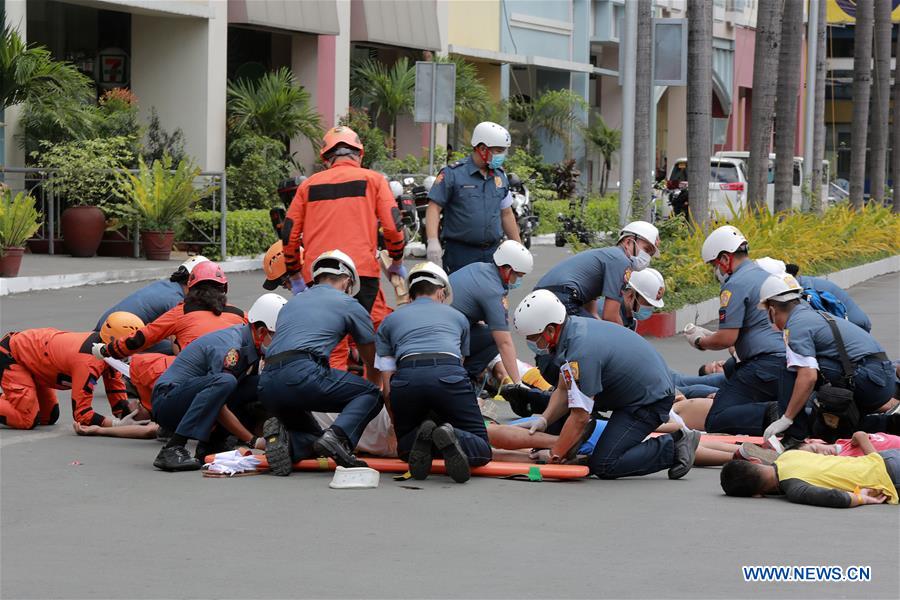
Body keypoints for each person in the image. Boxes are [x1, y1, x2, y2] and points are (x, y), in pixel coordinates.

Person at [512, 290, 700, 480]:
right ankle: (577, 450)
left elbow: (580, 416)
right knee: (571, 424)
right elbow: (563, 388)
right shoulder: (572, 332)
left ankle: (675, 446)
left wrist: (555, 455)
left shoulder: (580, 351)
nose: (531, 343)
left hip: (649, 400)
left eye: (533, 338)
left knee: (605, 464)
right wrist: (544, 419)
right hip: (637, 392)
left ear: (551, 330)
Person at [280, 126, 405, 370]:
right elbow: (392, 227)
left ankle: (331, 399)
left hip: (318, 276)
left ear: (326, 158)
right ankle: (371, 399)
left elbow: (290, 234)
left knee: (329, 344)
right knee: (367, 340)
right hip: (361, 275)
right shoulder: (374, 180)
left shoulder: (307, 186)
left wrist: (295, 274)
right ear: (359, 154)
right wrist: (397, 261)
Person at [258, 250, 384, 476]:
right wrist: (377, 387)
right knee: (371, 395)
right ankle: (338, 437)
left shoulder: (291, 304)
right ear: (347, 280)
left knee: (316, 441)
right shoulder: (348, 303)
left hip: (267, 384)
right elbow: (370, 358)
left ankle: (287, 443)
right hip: (303, 373)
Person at [376, 262, 491, 483]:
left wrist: (395, 422)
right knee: (482, 449)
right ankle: (450, 433)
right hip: (448, 373)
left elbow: (387, 379)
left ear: (411, 294)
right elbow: (458, 365)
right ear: (441, 292)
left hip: (407, 379)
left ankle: (424, 437)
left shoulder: (389, 321)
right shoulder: (458, 318)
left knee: (405, 450)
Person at [685, 226, 800, 441]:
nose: (715, 270)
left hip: (762, 366)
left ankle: (773, 413)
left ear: (725, 259)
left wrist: (700, 340)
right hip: (787, 362)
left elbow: (727, 338)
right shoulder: (765, 276)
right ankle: (781, 412)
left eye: (714, 264)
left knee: (717, 419)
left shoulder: (735, 284)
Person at [151, 293, 286, 471]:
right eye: (278, 336)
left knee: (265, 383)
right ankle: (172, 448)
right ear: (261, 331)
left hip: (193, 398)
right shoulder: (231, 348)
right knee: (226, 382)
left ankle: (212, 445)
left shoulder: (251, 346)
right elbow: (219, 399)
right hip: (168, 401)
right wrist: (252, 440)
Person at [92, 262, 247, 411]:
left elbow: (142, 338)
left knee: (139, 363)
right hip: (235, 379)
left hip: (195, 380)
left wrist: (109, 350)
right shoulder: (240, 314)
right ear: (224, 288)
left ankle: (154, 413)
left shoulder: (181, 311)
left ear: (191, 287)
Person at [758, 273, 896, 438]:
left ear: (772, 310)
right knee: (829, 427)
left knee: (791, 367)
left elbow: (808, 376)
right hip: (880, 379)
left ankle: (794, 436)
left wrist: (787, 418)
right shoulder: (810, 314)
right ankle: (892, 424)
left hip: (870, 380)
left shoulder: (796, 325)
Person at [425, 121, 521, 273]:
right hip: (460, 255)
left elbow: (506, 214)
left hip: (493, 254)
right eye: (498, 151)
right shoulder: (453, 174)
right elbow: (434, 207)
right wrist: (432, 241)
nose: (502, 156)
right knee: (459, 296)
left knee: (493, 296)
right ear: (482, 148)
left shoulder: (500, 177)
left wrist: (518, 247)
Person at [720, 431, 899, 507]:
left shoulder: (795, 488)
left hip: (889, 478)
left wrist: (863, 498)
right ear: (755, 461)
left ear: (757, 494)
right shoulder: (789, 455)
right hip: (885, 456)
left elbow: (835, 497)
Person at [0, 328, 131, 429]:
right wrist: (116, 425)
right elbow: (82, 415)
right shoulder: (88, 362)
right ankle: (16, 400)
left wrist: (132, 417)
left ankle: (14, 399)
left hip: (33, 359)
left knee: (48, 416)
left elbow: (117, 397)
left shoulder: (107, 352)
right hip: (12, 356)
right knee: (27, 419)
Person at [534, 221, 660, 323]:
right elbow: (610, 315)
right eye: (646, 249)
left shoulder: (610, 255)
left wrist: (595, 319)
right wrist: (628, 340)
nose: (647, 256)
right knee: (589, 341)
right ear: (628, 242)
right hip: (563, 296)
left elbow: (590, 296)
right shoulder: (621, 261)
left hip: (547, 294)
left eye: (651, 254)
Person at [449, 240, 533, 385]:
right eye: (518, 275)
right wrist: (517, 383)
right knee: (493, 337)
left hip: (436, 329)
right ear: (507, 270)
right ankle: (466, 378)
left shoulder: (478, 268)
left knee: (484, 331)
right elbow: (504, 342)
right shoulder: (493, 291)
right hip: (447, 336)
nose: (518, 280)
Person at [94, 256, 209, 353]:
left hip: (105, 327)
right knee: (185, 350)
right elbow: (179, 339)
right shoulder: (175, 300)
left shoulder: (166, 285)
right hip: (116, 335)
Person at [785, 262, 872, 332]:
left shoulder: (808, 291)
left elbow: (808, 323)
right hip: (853, 324)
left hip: (853, 326)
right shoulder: (805, 282)